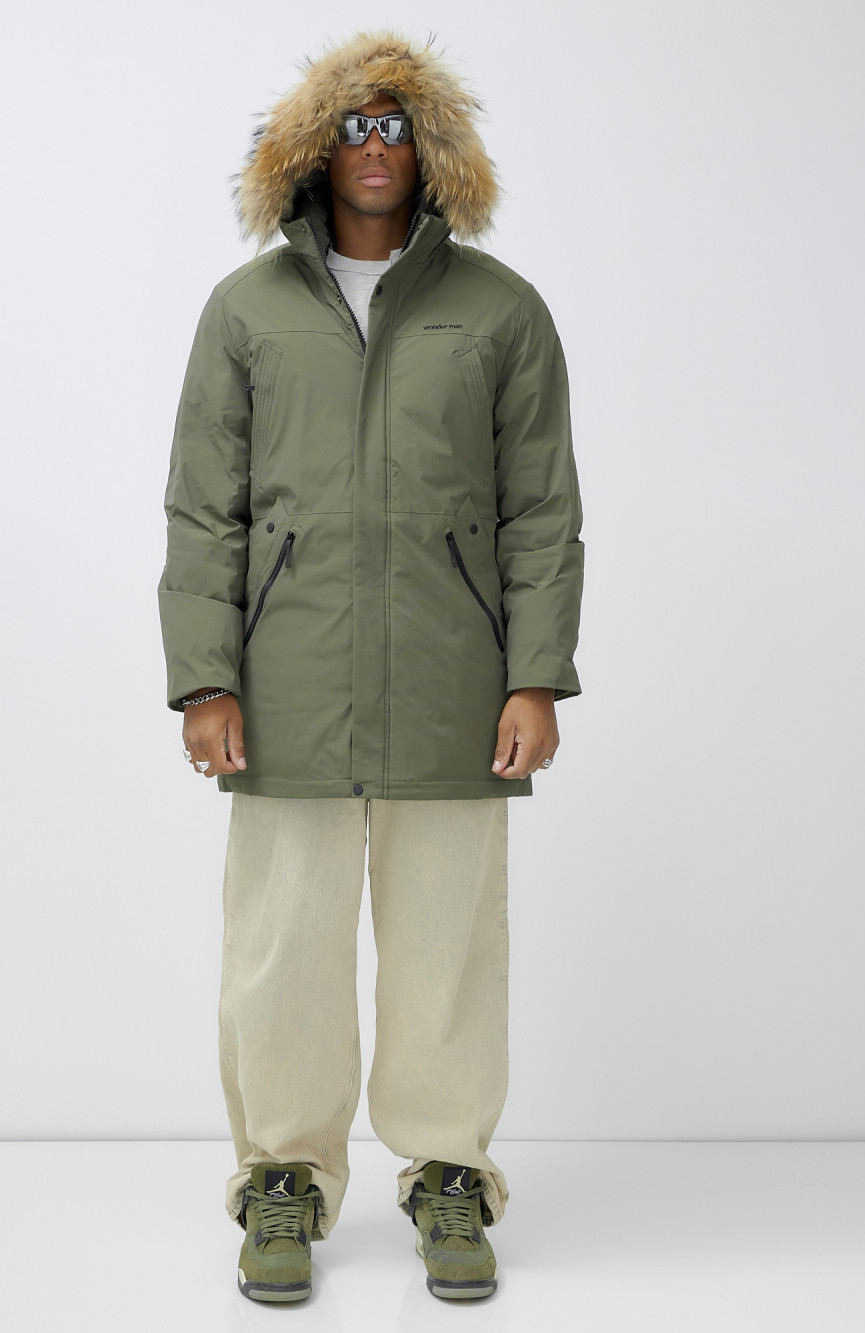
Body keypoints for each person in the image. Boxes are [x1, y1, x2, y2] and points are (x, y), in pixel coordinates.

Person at [157, 28, 585, 1303]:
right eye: (354, 124)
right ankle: (281, 1179)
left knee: (447, 946)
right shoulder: (246, 311)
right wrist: (204, 676)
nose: (376, 145)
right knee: (280, 948)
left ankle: (449, 1170)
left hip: (455, 687)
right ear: (312, 148)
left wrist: (534, 675)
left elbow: (540, 510)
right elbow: (205, 508)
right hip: (283, 686)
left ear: (432, 147)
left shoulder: (499, 310)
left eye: (398, 124)